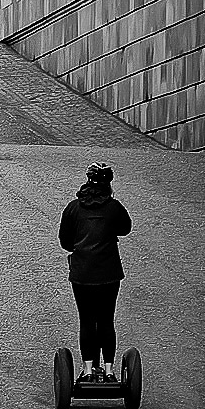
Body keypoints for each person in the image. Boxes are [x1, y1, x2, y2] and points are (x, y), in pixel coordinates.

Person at [59, 163, 133, 384]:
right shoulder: (114, 208)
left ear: (88, 181)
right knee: (106, 320)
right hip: (109, 273)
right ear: (108, 184)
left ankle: (88, 369)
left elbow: (65, 242)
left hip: (82, 274)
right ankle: (109, 371)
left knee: (87, 320)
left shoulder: (73, 208)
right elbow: (125, 229)